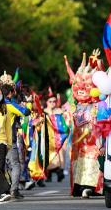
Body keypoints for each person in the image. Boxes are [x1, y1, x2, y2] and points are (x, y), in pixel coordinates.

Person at [64, 51, 105, 198]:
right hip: (77, 145)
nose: (81, 88)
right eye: (79, 84)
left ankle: (91, 187)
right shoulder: (72, 106)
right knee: (79, 164)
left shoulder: (99, 106)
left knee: (91, 163)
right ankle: (79, 186)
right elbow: (64, 124)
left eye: (86, 84)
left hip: (93, 144)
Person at [44, 91, 70, 183]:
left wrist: (65, 140)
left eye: (54, 101)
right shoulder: (44, 112)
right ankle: (49, 175)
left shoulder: (60, 112)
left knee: (61, 156)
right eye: (50, 101)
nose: (52, 103)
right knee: (49, 157)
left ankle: (60, 172)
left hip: (59, 137)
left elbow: (65, 126)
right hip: (48, 138)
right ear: (47, 102)